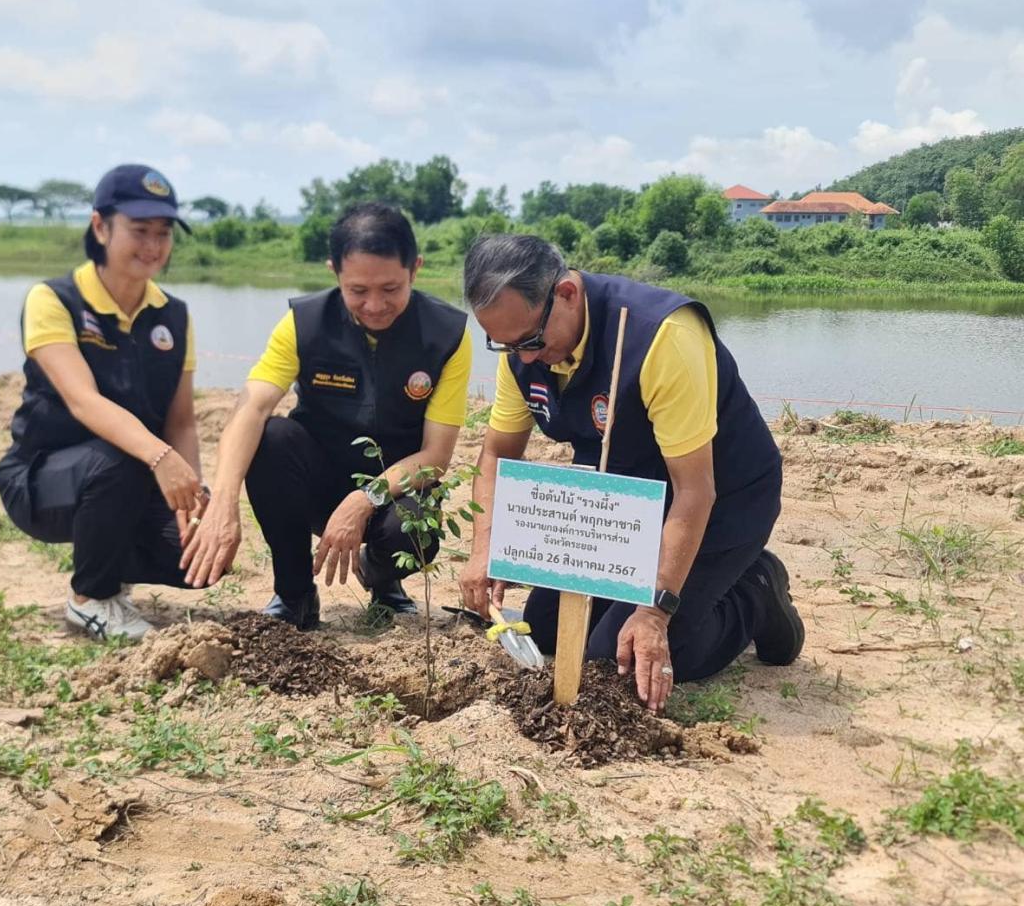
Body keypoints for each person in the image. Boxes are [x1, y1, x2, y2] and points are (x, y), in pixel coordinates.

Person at [458, 234, 803, 713]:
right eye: (505, 344)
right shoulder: (522, 353)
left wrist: (654, 611)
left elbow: (695, 489)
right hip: (623, 500)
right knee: (545, 624)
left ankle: (756, 593)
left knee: (616, 660)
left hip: (720, 500)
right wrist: (484, 551)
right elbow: (496, 455)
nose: (527, 359)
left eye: (532, 341)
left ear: (566, 294)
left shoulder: (662, 335)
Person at [181, 203, 472, 630]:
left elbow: (435, 456)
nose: (374, 305)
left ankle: (382, 578)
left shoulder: (447, 335)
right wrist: (223, 502)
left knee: (415, 528)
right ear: (333, 271)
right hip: (317, 481)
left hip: (393, 491)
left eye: (390, 289)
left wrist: (363, 500)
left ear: (416, 269)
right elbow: (251, 407)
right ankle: (295, 594)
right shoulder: (303, 324)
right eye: (358, 291)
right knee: (270, 436)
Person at [0, 164, 212, 642]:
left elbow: (182, 422)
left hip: (127, 475)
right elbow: (83, 401)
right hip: (41, 478)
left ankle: (111, 565)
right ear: (100, 226)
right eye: (139, 231)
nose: (153, 246)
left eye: (163, 232)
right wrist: (159, 457)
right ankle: (90, 597)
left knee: (201, 558)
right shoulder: (53, 299)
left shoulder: (173, 316)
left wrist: (193, 499)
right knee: (124, 456)